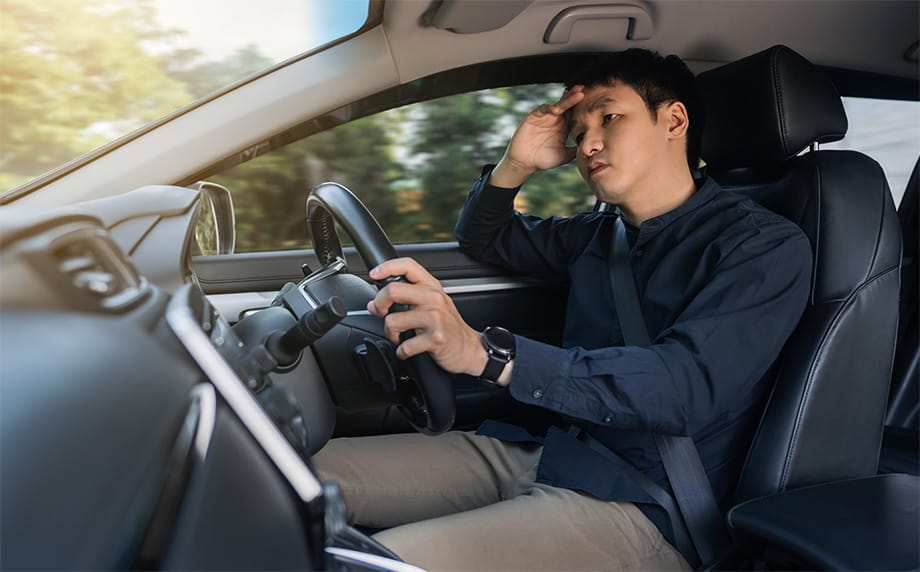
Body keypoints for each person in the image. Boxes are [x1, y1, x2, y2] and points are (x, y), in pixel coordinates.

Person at [313, 49, 812, 571]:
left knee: (365, 566)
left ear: (674, 119)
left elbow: (682, 388)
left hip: (643, 506)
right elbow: (486, 235)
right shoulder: (598, 235)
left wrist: (488, 355)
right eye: (578, 132)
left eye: (609, 116)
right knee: (289, 476)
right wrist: (517, 163)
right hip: (550, 454)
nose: (588, 142)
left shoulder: (761, 247)